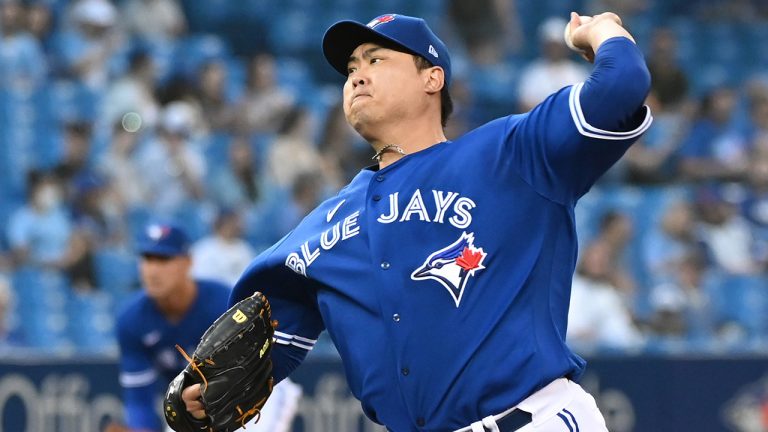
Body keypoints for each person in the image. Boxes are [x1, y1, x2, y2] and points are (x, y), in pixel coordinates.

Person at [181, 11, 652, 431]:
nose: (357, 77)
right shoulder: (324, 226)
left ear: (432, 79)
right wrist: (202, 392)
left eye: (376, 60)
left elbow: (621, 85)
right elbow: (262, 347)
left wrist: (604, 28)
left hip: (534, 419)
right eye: (350, 69)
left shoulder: (510, 153)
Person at [116, 221, 301, 431]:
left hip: (260, 390)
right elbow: (139, 400)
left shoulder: (223, 301)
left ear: (188, 262)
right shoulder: (131, 320)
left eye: (164, 259)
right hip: (194, 402)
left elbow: (259, 361)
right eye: (148, 259)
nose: (153, 270)